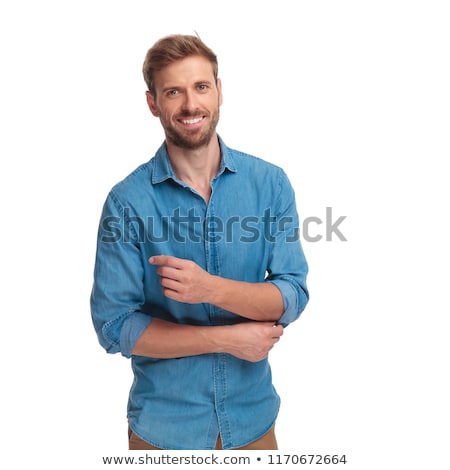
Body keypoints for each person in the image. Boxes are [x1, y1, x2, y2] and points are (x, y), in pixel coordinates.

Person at [90, 34, 309, 450]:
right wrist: (225, 339)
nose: (191, 105)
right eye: (174, 91)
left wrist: (209, 289)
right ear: (153, 103)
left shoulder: (270, 184)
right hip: (163, 431)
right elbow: (114, 326)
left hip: (254, 425)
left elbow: (292, 293)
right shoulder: (127, 202)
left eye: (201, 87)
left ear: (219, 91)